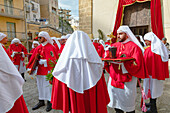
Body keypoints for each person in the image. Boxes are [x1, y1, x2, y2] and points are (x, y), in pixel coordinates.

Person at [51, 31, 110, 113]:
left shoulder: (66, 60)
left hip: (72, 92)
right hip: (90, 93)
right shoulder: (95, 61)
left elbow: (59, 76)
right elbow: (100, 80)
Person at [105, 26, 148, 113]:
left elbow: (138, 64)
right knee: (115, 103)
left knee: (128, 104)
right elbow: (106, 61)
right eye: (117, 34)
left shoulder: (134, 47)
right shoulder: (113, 46)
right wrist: (107, 55)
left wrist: (126, 63)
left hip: (127, 80)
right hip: (114, 79)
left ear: (127, 34)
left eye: (120, 34)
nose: (118, 36)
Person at [27, 31, 59, 112]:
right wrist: (30, 67)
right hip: (40, 70)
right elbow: (33, 58)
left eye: (40, 37)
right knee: (40, 86)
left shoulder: (51, 47)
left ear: (45, 37)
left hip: (48, 71)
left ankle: (50, 102)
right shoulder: (38, 47)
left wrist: (45, 62)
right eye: (38, 37)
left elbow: (54, 59)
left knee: (48, 87)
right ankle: (41, 101)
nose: (39, 39)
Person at [143, 32, 169, 113]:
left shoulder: (149, 50)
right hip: (158, 73)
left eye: (146, 40)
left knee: (152, 89)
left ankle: (153, 108)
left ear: (150, 40)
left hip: (151, 74)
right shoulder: (160, 48)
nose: (145, 42)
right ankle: (151, 103)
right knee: (154, 89)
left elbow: (145, 61)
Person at [0, 43, 29, 113]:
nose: (6, 40)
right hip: (14, 61)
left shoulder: (20, 46)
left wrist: (22, 53)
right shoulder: (10, 47)